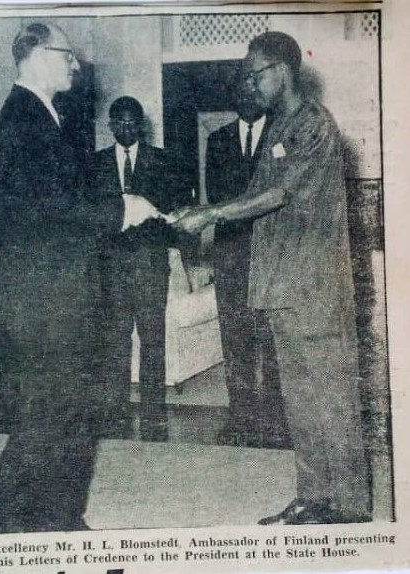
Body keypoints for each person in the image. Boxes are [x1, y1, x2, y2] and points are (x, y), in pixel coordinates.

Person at [173, 31, 370, 524]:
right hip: (282, 285)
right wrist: (198, 210)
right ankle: (313, 496)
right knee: (300, 400)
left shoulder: (314, 125)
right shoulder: (280, 126)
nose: (249, 85)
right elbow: (253, 193)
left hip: (314, 287)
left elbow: (278, 194)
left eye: (253, 74)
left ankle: (349, 507)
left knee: (331, 397)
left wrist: (212, 213)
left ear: (281, 70)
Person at [0, 23, 159, 534]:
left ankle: (58, 518)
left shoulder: (42, 114)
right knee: (50, 414)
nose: (76, 64)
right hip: (44, 298)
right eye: (66, 55)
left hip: (57, 290)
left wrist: (119, 204)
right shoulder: (22, 118)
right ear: (34, 54)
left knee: (70, 410)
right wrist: (122, 209)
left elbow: (57, 202)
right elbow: (47, 208)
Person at [89, 96, 191, 442]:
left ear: (141, 125)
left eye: (132, 122)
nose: (126, 128)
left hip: (149, 263)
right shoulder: (95, 164)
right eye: (120, 122)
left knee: (152, 339)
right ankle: (115, 412)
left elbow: (173, 210)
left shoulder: (163, 160)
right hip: (112, 267)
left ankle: (153, 413)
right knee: (115, 340)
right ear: (111, 126)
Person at [206, 74, 277, 447]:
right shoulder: (216, 140)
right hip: (231, 255)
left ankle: (276, 421)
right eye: (240, 91)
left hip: (270, 254)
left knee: (271, 338)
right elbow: (216, 198)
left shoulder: (281, 136)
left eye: (253, 89)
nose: (247, 97)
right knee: (234, 339)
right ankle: (241, 419)